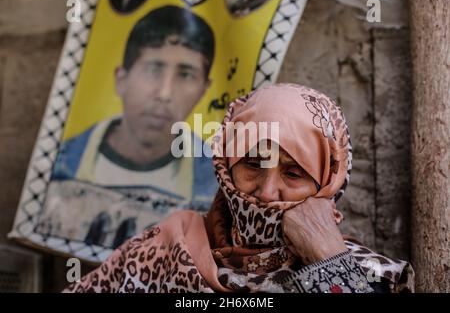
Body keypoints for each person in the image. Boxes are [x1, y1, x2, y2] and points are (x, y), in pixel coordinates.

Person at [63, 84, 414, 293]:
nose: (266, 191)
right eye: (252, 164)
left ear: (327, 182)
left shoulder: (372, 277)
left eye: (293, 173)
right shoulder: (166, 249)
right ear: (226, 165)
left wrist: (328, 259)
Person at [51, 5, 217, 205]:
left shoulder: (218, 184)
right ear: (121, 80)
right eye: (153, 70)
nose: (164, 94)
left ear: (203, 91)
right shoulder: (58, 163)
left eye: (186, 75)